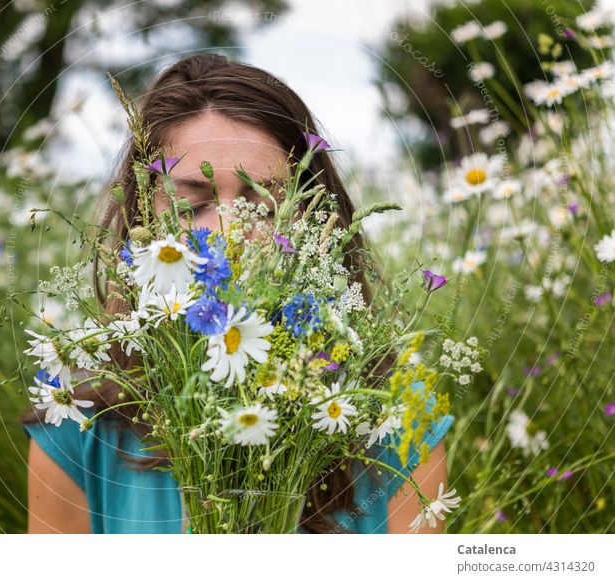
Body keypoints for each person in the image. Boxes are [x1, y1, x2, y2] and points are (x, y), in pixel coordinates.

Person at [23, 53, 453, 534]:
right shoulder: (78, 425)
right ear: (142, 223)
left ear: (312, 219)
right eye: (191, 205)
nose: (228, 236)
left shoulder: (393, 416)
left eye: (264, 207)